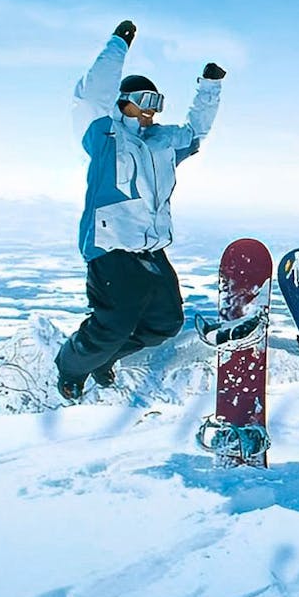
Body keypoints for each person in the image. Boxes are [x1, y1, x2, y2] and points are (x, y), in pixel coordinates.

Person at [55, 20, 225, 400]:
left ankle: (104, 358)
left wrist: (210, 87)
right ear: (122, 102)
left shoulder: (163, 143)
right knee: (112, 323)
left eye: (157, 103)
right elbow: (91, 94)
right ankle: (70, 365)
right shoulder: (105, 135)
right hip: (111, 245)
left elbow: (196, 130)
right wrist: (119, 44)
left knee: (165, 322)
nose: (151, 112)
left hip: (150, 248)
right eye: (143, 101)